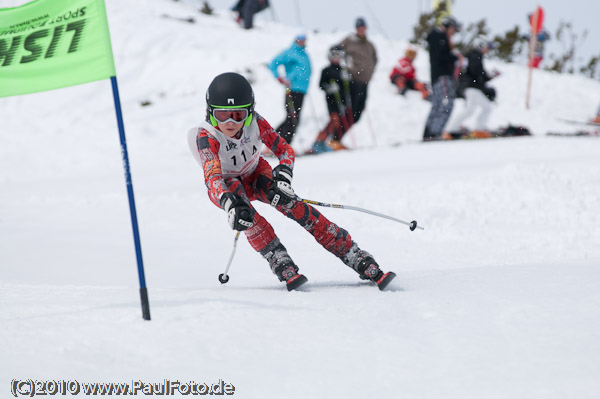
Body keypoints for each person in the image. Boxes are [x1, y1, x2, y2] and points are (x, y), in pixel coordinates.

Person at [187, 72, 396, 291]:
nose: (231, 123)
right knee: (247, 216)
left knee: (293, 205)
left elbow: (284, 149)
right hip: (227, 183)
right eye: (222, 116)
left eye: (239, 116)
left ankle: (351, 252)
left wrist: (284, 175)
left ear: (250, 111)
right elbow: (212, 177)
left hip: (256, 173)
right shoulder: (207, 135)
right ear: (210, 113)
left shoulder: (256, 122)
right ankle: (277, 258)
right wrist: (228, 202)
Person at [446, 38, 500, 137]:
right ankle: (455, 129)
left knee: (475, 109)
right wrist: (488, 76)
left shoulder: (471, 56)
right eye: (487, 47)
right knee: (484, 108)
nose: (487, 50)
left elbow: (474, 73)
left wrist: (487, 77)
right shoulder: (476, 56)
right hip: (472, 87)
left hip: (469, 86)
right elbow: (477, 73)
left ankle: (453, 129)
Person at [423, 16, 462, 141]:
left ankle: (429, 132)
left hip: (437, 76)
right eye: (453, 30)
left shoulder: (437, 37)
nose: (453, 33)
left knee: (437, 104)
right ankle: (434, 132)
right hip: (442, 76)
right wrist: (455, 57)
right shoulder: (440, 37)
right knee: (446, 103)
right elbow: (442, 56)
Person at [267, 34, 311, 145]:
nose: (302, 41)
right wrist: (279, 77)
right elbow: (273, 63)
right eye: (300, 39)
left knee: (295, 119)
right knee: (292, 118)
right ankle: (274, 143)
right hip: (292, 89)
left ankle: (282, 145)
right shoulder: (290, 52)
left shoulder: (304, 54)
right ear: (295, 40)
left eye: (304, 39)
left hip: (302, 90)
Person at [308, 45, 353, 153]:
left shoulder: (343, 70)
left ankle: (332, 141)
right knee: (334, 120)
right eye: (334, 55)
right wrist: (329, 87)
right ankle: (318, 142)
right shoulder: (326, 70)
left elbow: (348, 86)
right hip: (332, 100)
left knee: (341, 121)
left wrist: (348, 79)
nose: (336, 58)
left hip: (342, 100)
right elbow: (321, 85)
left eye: (338, 56)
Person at [339, 17, 378, 123]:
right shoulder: (349, 40)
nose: (361, 29)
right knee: (350, 111)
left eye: (362, 27)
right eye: (359, 27)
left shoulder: (369, 45)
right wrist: (346, 68)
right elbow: (336, 51)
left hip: (365, 82)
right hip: (354, 80)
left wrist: (371, 71)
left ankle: (338, 138)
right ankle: (335, 137)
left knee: (358, 113)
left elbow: (375, 59)